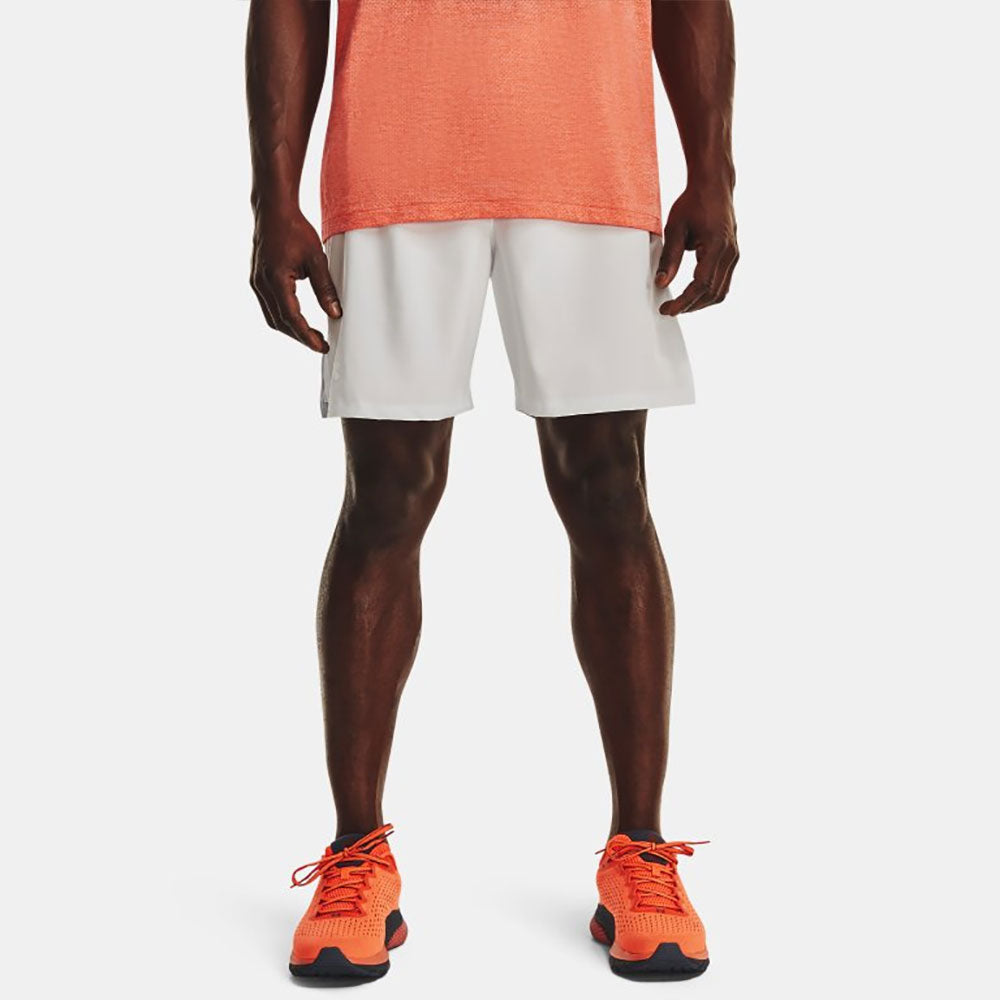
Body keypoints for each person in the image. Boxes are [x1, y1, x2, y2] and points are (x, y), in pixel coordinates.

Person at [246, 0, 737, 982]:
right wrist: (273, 195)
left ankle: (639, 851)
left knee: (609, 491)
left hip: (591, 155)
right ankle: (356, 855)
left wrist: (713, 169)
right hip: (393, 156)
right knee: (386, 497)